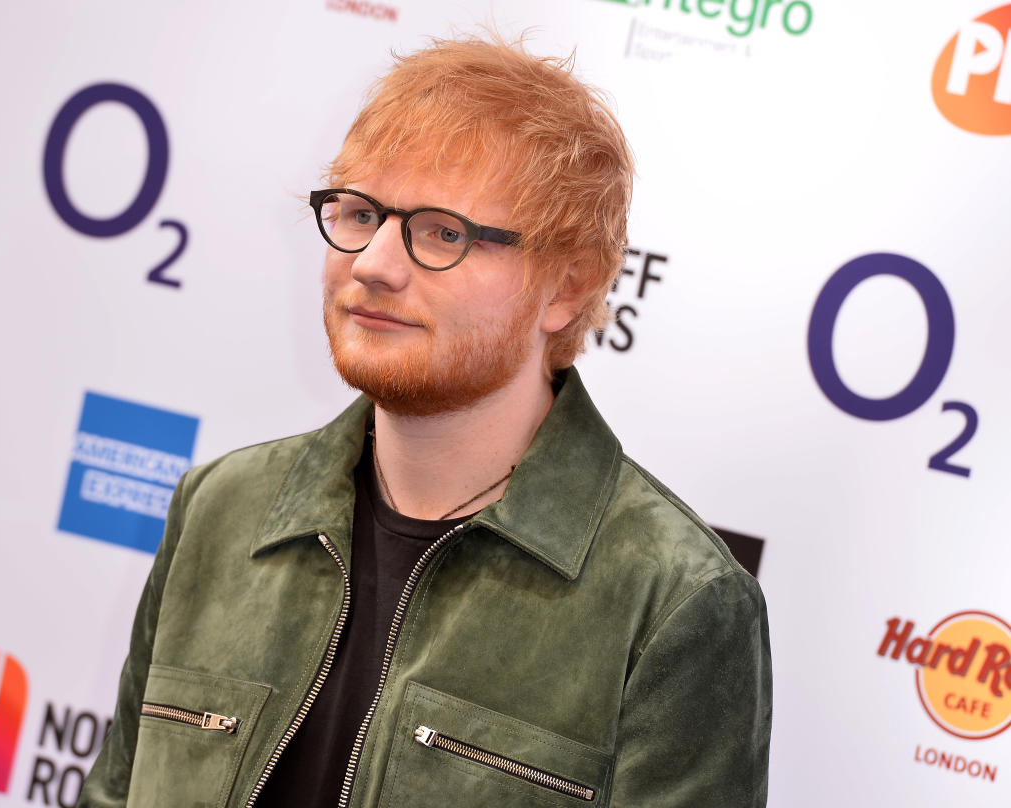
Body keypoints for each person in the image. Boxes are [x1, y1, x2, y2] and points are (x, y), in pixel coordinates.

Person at [79, 34, 771, 808]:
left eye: (442, 231)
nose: (373, 262)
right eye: (360, 212)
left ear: (566, 287)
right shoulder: (221, 508)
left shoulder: (675, 600)